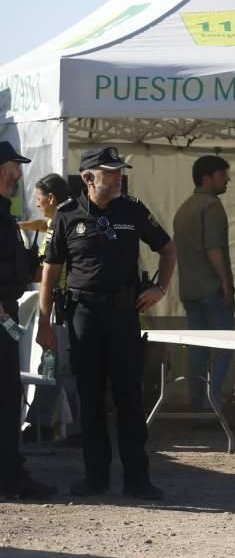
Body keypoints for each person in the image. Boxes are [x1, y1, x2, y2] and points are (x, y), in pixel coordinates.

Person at [38, 146, 176, 500]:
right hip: (84, 315)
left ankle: (137, 479)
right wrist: (44, 321)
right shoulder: (67, 216)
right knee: (90, 398)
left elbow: (167, 247)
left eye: (119, 172)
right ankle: (96, 477)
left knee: (129, 396)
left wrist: (160, 288)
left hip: (123, 313)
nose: (117, 177)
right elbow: (50, 271)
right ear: (88, 178)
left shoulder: (132, 210)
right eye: (109, 172)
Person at [0, 142, 55, 500]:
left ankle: (9, 470)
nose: (20, 173)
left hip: (6, 310)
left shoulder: (6, 215)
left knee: (7, 395)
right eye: (15, 166)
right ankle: (9, 475)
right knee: (5, 396)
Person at [172, 155, 234, 414]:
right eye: (223, 175)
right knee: (223, 346)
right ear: (208, 178)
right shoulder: (212, 206)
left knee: (197, 348)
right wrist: (225, 282)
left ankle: (197, 401)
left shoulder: (184, 207)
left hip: (189, 289)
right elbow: (213, 248)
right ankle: (212, 402)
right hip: (211, 288)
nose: (228, 179)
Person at [25, 174, 82, 444]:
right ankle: (78, 428)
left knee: (51, 365)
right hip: (73, 307)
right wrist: (20, 225)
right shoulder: (73, 217)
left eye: (38, 199)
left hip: (59, 308)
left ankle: (40, 424)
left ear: (51, 198)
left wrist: (16, 271)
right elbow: (40, 223)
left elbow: (45, 270)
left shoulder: (57, 226)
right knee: (68, 369)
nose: (37, 205)